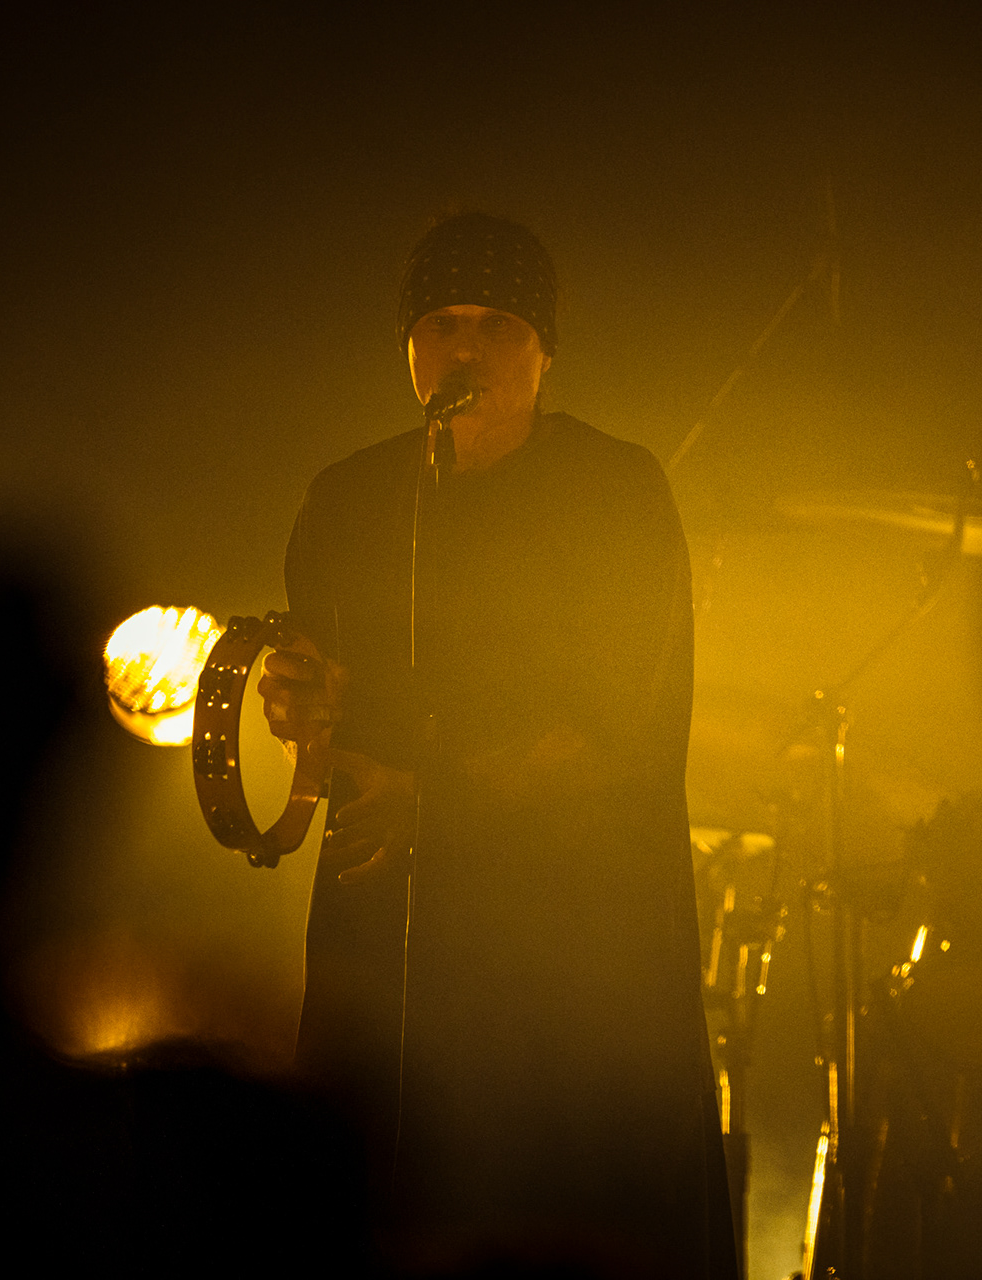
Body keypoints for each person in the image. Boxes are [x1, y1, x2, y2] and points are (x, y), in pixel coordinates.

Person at [258, 211, 737, 1276]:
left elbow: (618, 722)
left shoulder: (615, 490)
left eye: (496, 324)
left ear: (545, 350)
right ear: (407, 345)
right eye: (440, 322)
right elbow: (329, 696)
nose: (464, 348)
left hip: (567, 940)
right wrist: (300, 709)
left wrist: (438, 800)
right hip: (386, 934)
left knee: (555, 1207)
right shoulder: (349, 497)